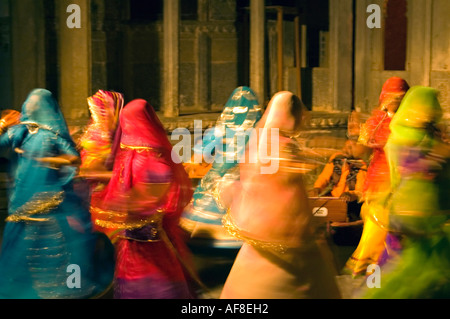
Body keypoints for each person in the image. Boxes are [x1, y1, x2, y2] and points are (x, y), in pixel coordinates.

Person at [219, 91, 341, 299]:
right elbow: (283, 179)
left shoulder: (260, 140)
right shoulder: (283, 145)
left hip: (262, 222)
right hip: (286, 220)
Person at [0, 88, 115, 299]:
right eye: (30, 103)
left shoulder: (51, 135)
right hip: (24, 197)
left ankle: (62, 287)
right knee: (24, 239)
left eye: (35, 104)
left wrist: (52, 161)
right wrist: (3, 126)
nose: (31, 107)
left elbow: (73, 159)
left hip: (48, 197)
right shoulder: (20, 132)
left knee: (55, 242)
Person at [89, 99, 197, 299]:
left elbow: (155, 188)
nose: (126, 127)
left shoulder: (154, 157)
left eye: (128, 121)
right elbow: (123, 179)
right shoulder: (132, 153)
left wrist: (130, 203)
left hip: (149, 233)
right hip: (132, 232)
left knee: (154, 278)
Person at [365, 86, 450, 298]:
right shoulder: (399, 132)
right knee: (384, 254)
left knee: (392, 256)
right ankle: (373, 289)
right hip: (405, 205)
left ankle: (373, 287)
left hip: (406, 205)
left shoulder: (414, 133)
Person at [180, 86, 262, 249]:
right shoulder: (262, 133)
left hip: (217, 189)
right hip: (252, 190)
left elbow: (196, 158)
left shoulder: (218, 131)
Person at [344, 77, 410, 277]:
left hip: (405, 187)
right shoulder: (376, 121)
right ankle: (374, 281)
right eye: (391, 97)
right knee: (375, 235)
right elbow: (359, 151)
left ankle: (392, 279)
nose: (394, 101)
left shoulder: (411, 122)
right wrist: (356, 134)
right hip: (380, 185)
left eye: (399, 97)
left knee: (398, 237)